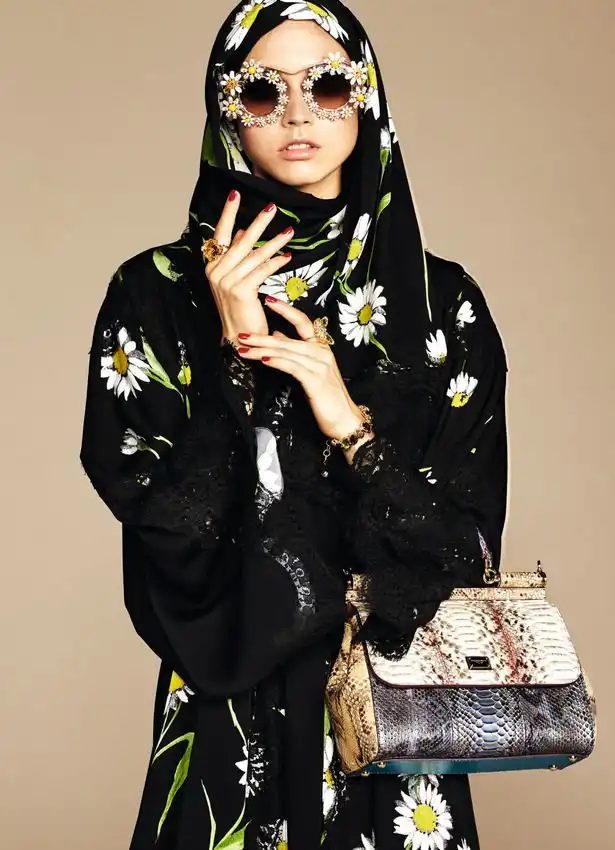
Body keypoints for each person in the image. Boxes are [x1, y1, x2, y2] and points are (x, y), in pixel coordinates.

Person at [80, 2, 507, 849]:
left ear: (367, 96)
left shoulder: (440, 306)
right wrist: (236, 355)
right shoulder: (155, 292)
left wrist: (345, 419)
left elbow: (460, 553)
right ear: (225, 107)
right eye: (261, 91)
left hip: (392, 718)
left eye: (328, 85)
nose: (297, 114)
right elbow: (163, 531)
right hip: (225, 715)